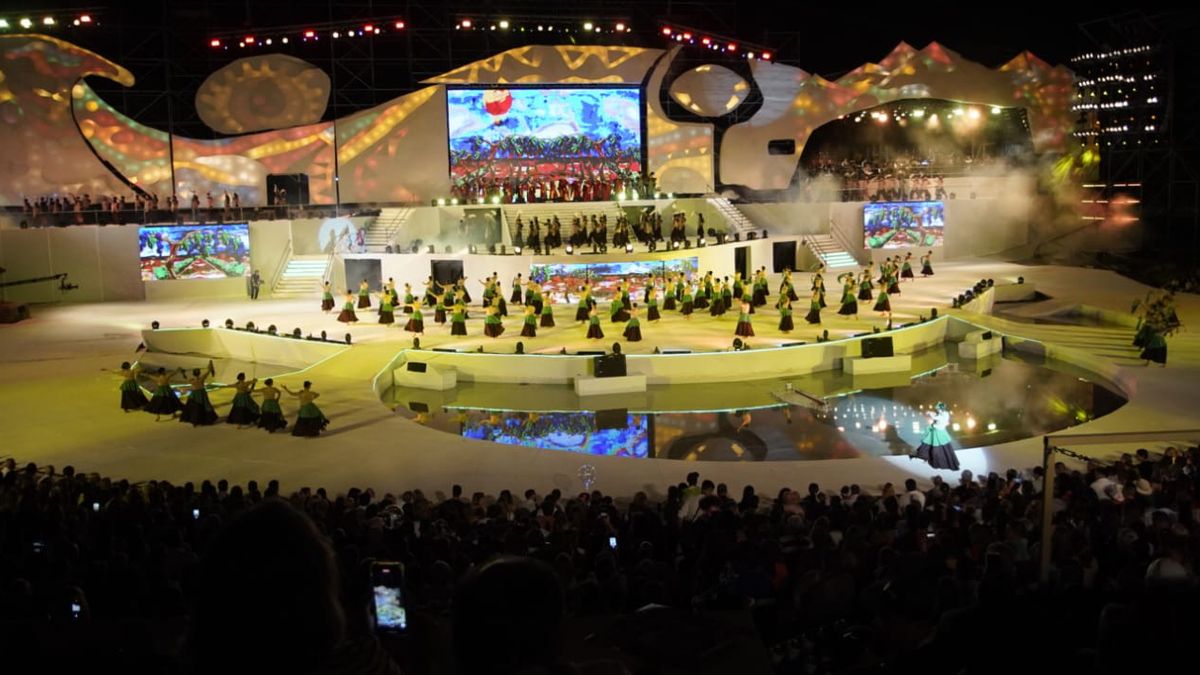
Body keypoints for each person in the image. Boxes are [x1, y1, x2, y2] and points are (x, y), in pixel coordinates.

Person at [912, 402, 958, 470]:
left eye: (938, 409)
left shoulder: (944, 414)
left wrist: (930, 413)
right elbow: (936, 415)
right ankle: (926, 456)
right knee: (930, 444)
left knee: (939, 448)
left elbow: (937, 417)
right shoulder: (942, 413)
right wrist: (930, 413)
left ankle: (939, 461)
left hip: (940, 432)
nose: (938, 410)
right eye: (937, 409)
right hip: (937, 431)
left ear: (941, 409)